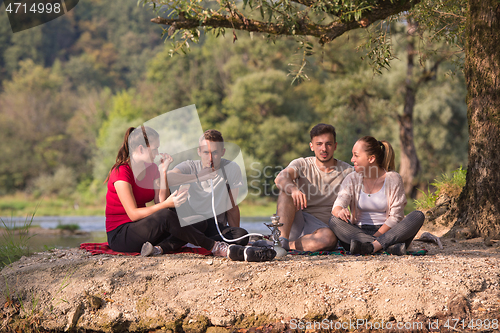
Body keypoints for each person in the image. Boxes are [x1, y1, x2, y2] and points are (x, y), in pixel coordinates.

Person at [105, 126, 275, 262]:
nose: (157, 153)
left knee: (197, 221)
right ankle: (216, 247)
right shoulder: (121, 172)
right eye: (155, 149)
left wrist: (163, 172)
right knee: (166, 214)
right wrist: (166, 205)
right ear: (141, 148)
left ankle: (158, 249)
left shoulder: (151, 169)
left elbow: (160, 200)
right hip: (122, 234)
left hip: (143, 231)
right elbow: (134, 214)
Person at [328, 136, 425, 255]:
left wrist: (377, 238)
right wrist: (339, 212)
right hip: (358, 232)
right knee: (334, 220)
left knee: (418, 216)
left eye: (356, 155)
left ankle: (370, 247)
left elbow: (396, 217)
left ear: (371, 158)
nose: (352, 159)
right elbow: (338, 204)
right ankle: (387, 248)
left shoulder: (393, 179)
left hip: (389, 232)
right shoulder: (352, 178)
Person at [274, 124, 353, 251]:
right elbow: (280, 178)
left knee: (328, 238)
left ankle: (285, 246)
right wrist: (294, 189)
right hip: (296, 223)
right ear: (311, 146)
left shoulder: (348, 171)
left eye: (328, 144)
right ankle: (281, 240)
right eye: (319, 144)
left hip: (324, 230)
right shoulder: (302, 164)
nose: (324, 149)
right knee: (286, 189)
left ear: (335, 146)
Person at [170, 129, 249, 246]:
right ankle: (207, 242)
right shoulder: (190, 166)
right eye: (206, 152)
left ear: (223, 152)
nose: (210, 158)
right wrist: (198, 177)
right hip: (193, 222)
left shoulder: (231, 168)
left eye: (215, 153)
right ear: (199, 152)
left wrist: (234, 234)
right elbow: (168, 178)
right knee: (173, 204)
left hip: (216, 226)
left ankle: (201, 241)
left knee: (241, 236)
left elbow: (232, 207)